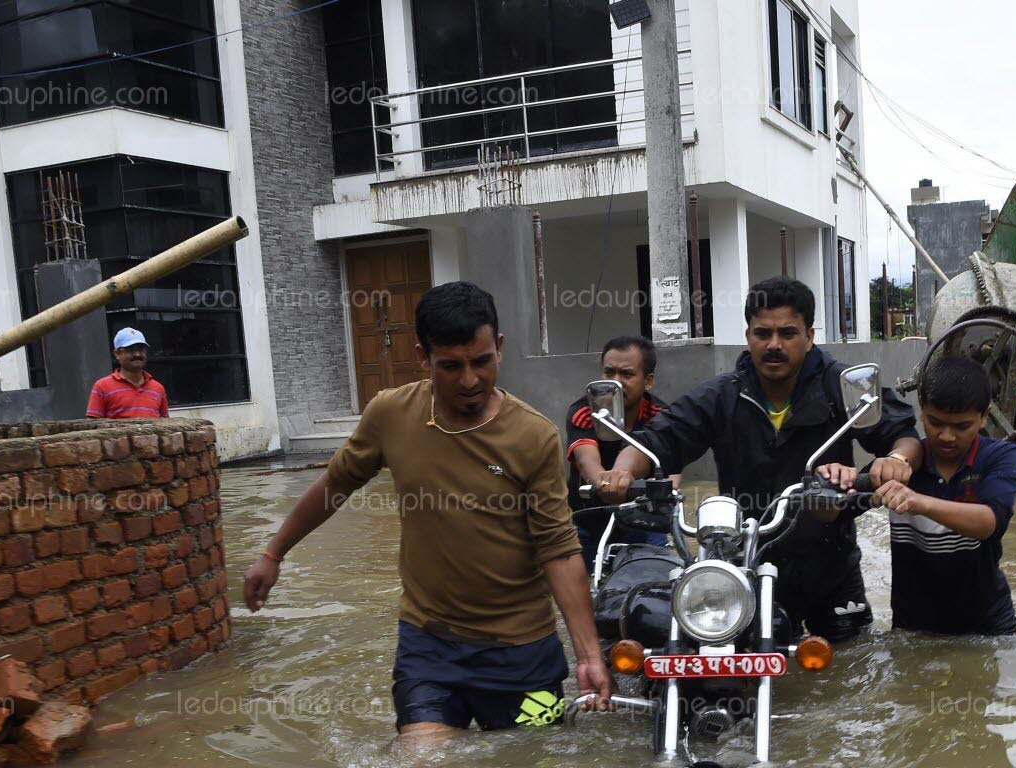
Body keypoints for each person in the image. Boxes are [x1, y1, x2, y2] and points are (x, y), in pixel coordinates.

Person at [242, 281, 612, 734]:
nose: (470, 380)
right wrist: (272, 555)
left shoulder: (533, 436)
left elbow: (559, 549)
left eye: (481, 362)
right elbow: (334, 486)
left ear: (499, 348)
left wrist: (590, 656)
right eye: (450, 366)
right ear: (423, 357)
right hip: (429, 647)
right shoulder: (391, 414)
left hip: (524, 655)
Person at [596, 276, 922, 641]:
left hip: (830, 565)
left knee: (849, 669)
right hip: (746, 559)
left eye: (787, 333)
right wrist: (621, 472)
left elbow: (903, 433)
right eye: (762, 333)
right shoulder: (722, 395)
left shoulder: (841, 386)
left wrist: (895, 459)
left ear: (809, 336)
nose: (774, 345)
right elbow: (658, 439)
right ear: (748, 335)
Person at [875, 355, 1016, 635]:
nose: (946, 436)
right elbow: (836, 509)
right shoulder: (901, 465)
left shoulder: (1001, 457)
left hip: (989, 626)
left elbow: (989, 523)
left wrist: (918, 502)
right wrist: (837, 477)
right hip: (914, 626)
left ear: (984, 417)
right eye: (935, 422)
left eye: (961, 426)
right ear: (921, 411)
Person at [564, 335, 672, 571]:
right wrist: (604, 482)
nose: (616, 382)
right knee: (589, 596)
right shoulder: (584, 411)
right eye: (609, 373)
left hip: (644, 520)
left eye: (627, 374)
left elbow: (670, 471)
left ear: (648, 381)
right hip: (590, 519)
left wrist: (667, 490)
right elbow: (586, 459)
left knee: (654, 589)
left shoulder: (661, 415)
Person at [86, 327, 169, 419]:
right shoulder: (102, 387)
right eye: (131, 350)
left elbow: (165, 425)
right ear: (117, 354)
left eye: (141, 349)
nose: (137, 354)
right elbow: (92, 426)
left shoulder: (158, 388)